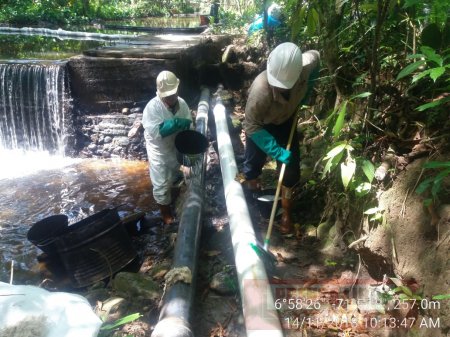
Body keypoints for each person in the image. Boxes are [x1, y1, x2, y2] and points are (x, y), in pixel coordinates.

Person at [242, 42, 320, 234]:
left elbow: (317, 56)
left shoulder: (306, 65)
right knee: (252, 164)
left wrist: (308, 88)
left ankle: (286, 214)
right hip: (262, 124)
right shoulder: (260, 91)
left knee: (290, 171)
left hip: (287, 120)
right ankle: (251, 198)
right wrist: (275, 151)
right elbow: (250, 126)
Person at [142, 71, 193, 224]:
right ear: (161, 94)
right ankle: (167, 217)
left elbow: (190, 127)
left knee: (177, 177)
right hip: (159, 151)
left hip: (177, 146)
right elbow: (156, 132)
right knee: (162, 185)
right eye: (168, 96)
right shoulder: (152, 108)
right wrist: (176, 123)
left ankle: (177, 202)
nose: (171, 98)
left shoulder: (182, 104)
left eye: (173, 94)